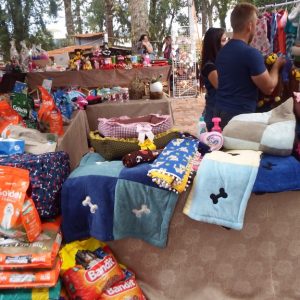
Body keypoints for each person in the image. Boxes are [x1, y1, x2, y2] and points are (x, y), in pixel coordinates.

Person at [214, 3, 286, 129]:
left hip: (219, 112)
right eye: (256, 24)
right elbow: (268, 87)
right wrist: (277, 66)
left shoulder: (222, 52)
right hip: (239, 116)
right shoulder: (250, 53)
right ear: (250, 26)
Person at [200, 27, 227, 130]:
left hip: (218, 109)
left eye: (226, 39)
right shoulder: (210, 66)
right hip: (214, 112)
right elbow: (221, 86)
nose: (227, 43)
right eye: (223, 40)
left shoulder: (218, 62)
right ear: (214, 44)